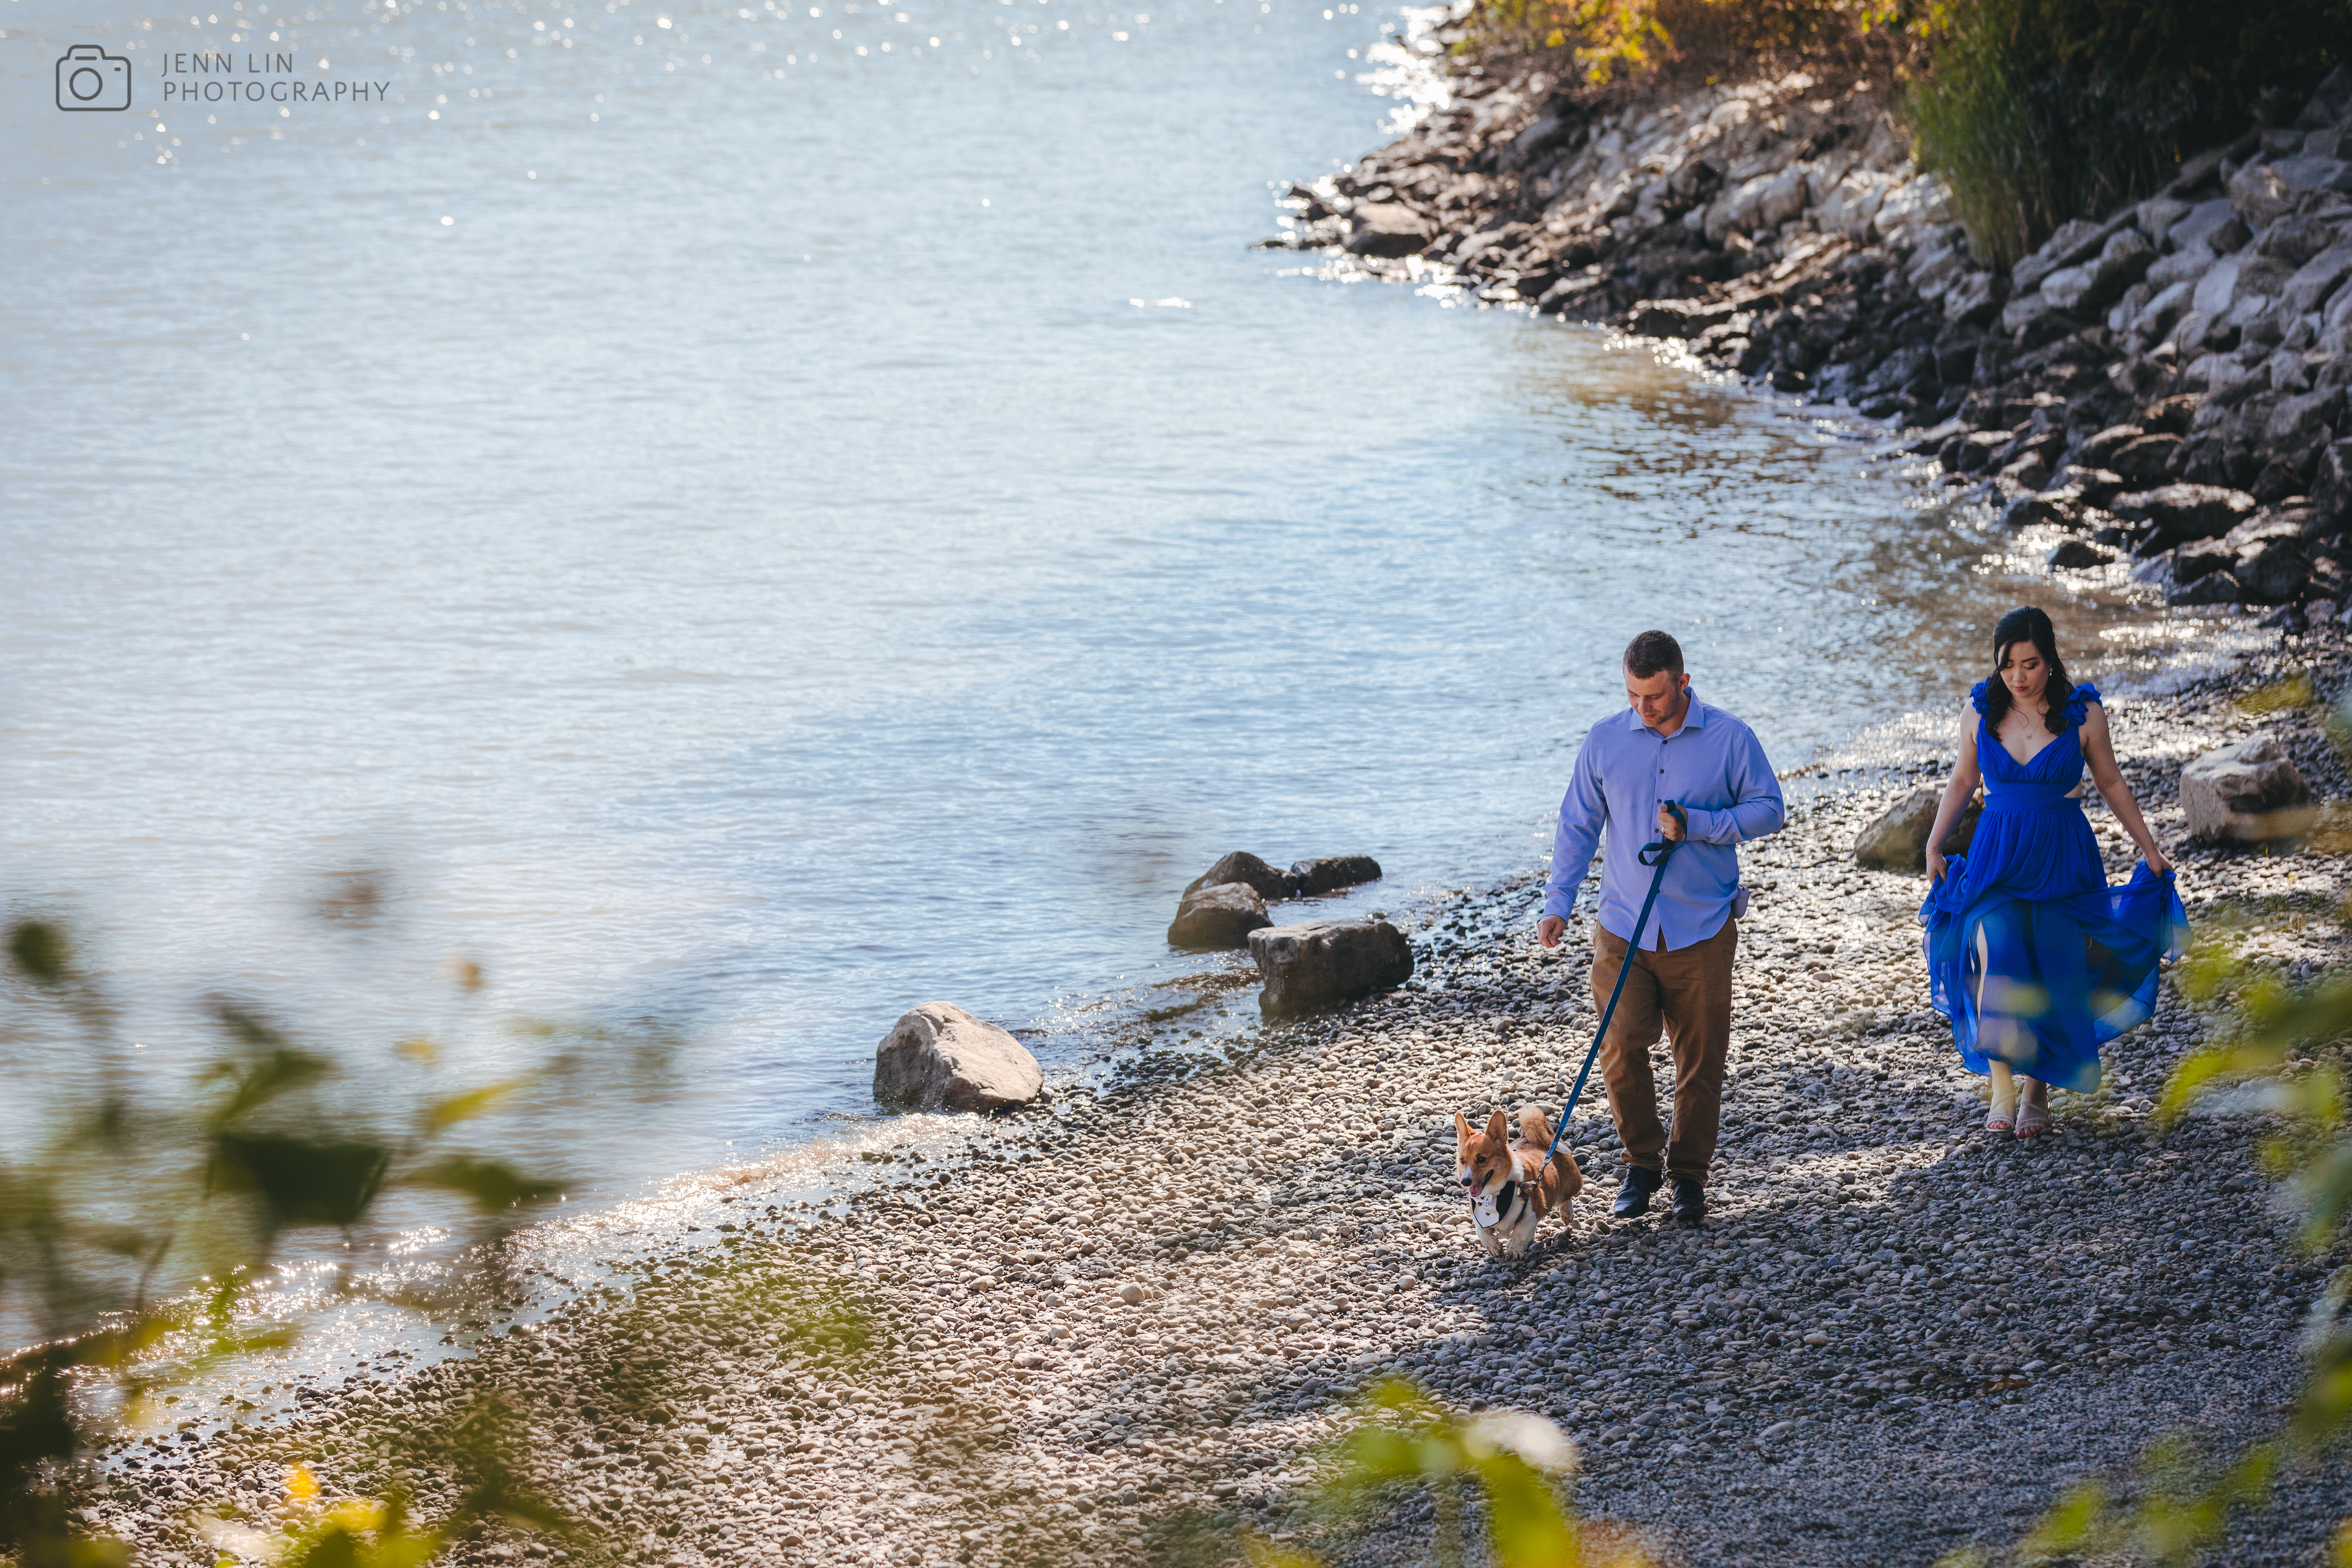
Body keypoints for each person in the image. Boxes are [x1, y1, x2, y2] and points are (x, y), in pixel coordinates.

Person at [1538, 631, 1785, 1227]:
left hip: (1701, 927)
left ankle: (1689, 1178)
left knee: (1699, 1060)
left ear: (1683, 682)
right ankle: (1641, 1163)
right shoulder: (1604, 741)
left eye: (1653, 697)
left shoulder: (1730, 738)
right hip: (1623, 924)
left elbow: (1769, 809)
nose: (1642, 709)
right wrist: (1558, 902)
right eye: (1632, 696)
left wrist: (1697, 824)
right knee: (1620, 1044)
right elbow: (1577, 825)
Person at [1920, 606, 2188, 1138]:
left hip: (2061, 854)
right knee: (1992, 954)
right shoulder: (1979, 713)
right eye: (2007, 666)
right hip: (1996, 854)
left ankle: (2035, 1092)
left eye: (2030, 664)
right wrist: (1933, 843)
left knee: (2050, 967)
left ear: (2050, 659)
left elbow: (2110, 783)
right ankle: (2000, 1086)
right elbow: (1961, 780)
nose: (2018, 677)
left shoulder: (2082, 714)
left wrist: (2149, 848)